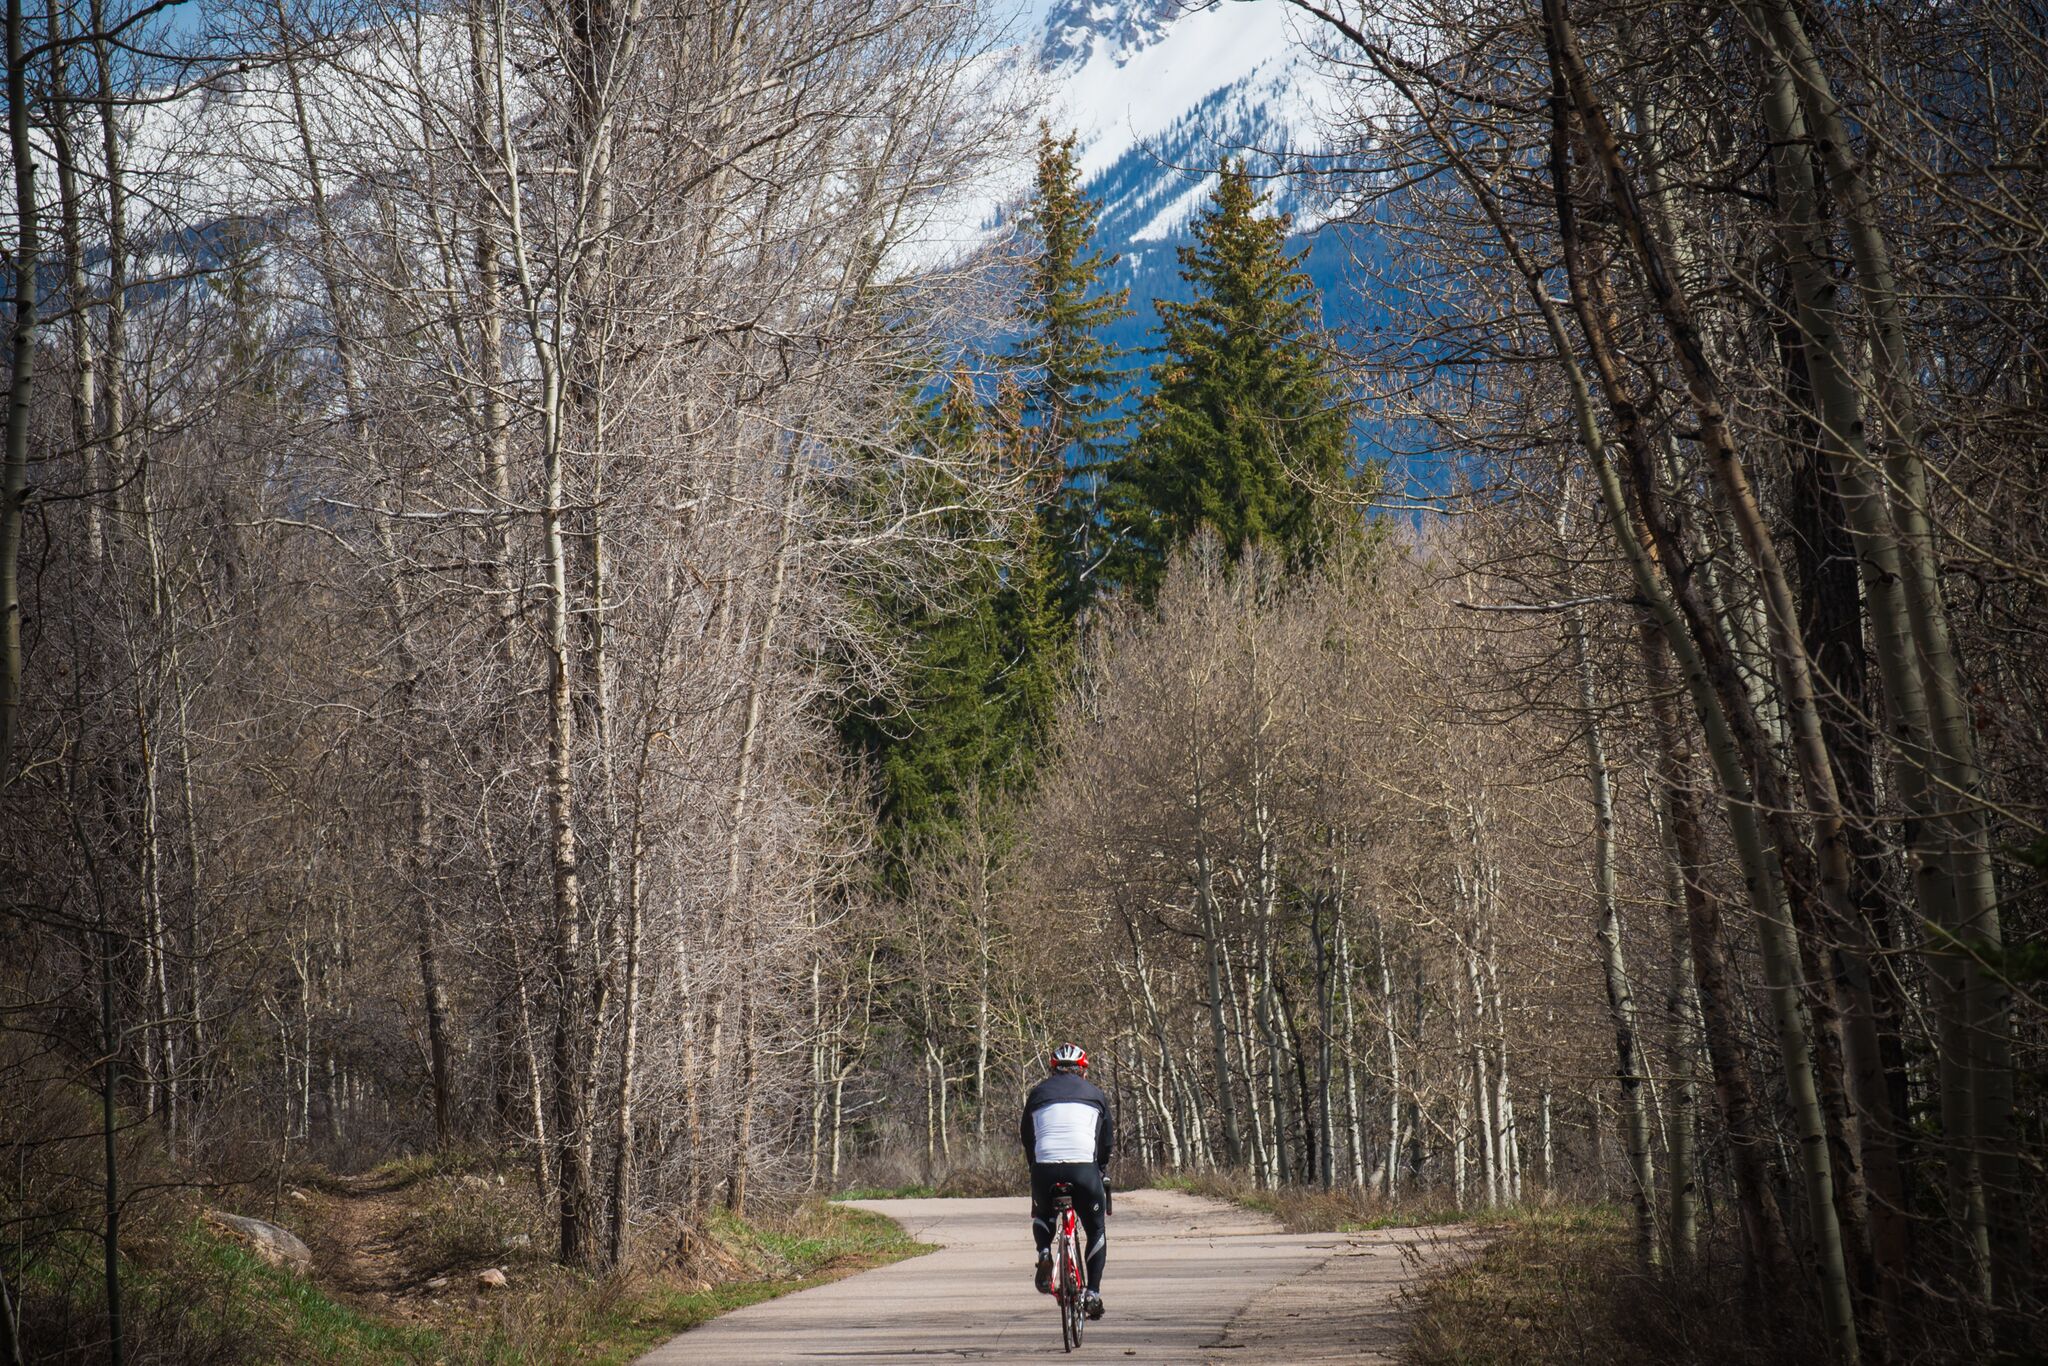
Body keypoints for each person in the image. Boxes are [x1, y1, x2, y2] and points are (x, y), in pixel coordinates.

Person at [1020, 1042, 1112, 1320]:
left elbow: (1027, 1136)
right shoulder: (1095, 1095)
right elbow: (1105, 1141)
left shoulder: (1037, 1094)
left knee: (1044, 1213)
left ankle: (1045, 1251)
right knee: (1095, 1228)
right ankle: (1092, 1292)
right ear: (1083, 1072)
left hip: (1045, 1167)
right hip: (1083, 1168)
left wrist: (1034, 1167)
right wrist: (1101, 1169)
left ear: (1052, 1070)